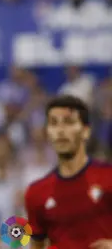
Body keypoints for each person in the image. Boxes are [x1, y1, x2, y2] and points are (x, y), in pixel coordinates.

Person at [24, 95, 112, 249]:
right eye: (54, 123)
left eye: (69, 122)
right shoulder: (36, 193)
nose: (60, 130)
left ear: (85, 131)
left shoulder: (108, 177)